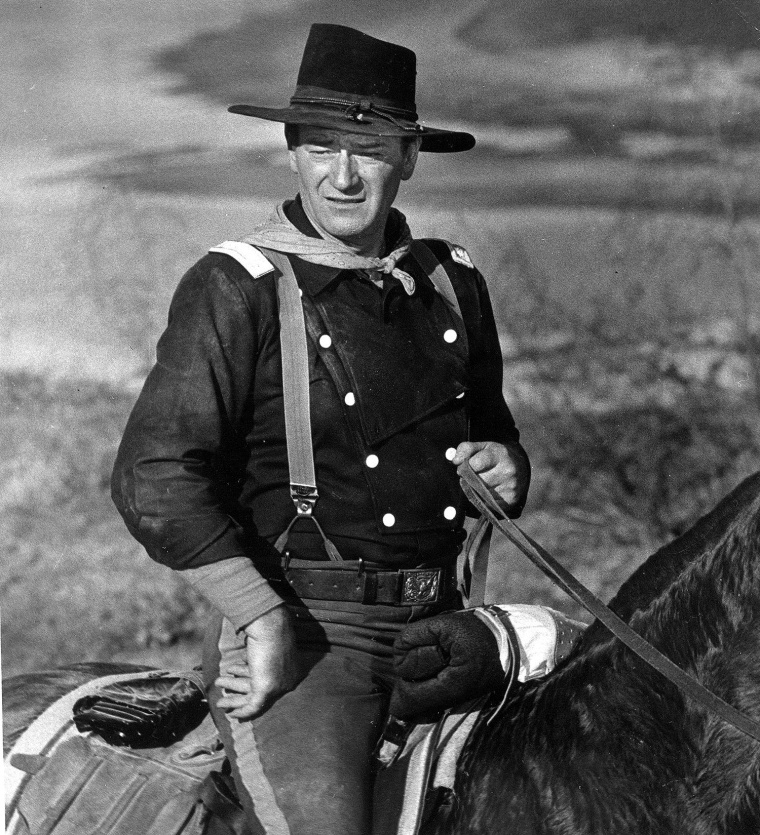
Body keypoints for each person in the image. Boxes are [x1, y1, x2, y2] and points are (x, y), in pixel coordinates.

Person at [111, 23, 530, 835]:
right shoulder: (237, 285)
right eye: (321, 146)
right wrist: (260, 616)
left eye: (369, 149)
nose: (343, 176)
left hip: (446, 625)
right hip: (308, 636)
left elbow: (494, 434)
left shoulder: (451, 282)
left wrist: (507, 465)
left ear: (409, 157)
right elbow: (153, 476)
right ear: (291, 149)